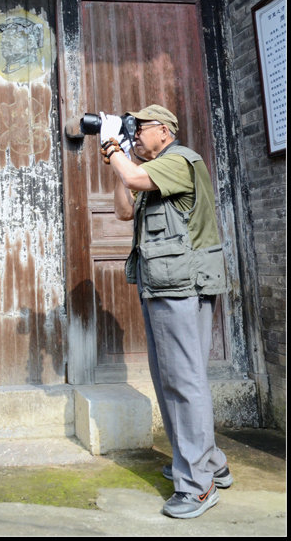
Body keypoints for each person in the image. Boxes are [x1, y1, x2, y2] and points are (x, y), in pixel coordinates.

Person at [99, 104, 232, 519]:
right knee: (171, 378)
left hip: (180, 288)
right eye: (131, 129)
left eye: (140, 128)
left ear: (164, 130)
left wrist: (113, 145)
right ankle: (206, 462)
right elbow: (124, 208)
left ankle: (197, 486)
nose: (135, 134)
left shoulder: (180, 160)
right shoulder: (153, 170)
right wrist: (116, 157)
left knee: (183, 381)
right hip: (163, 286)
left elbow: (136, 178)